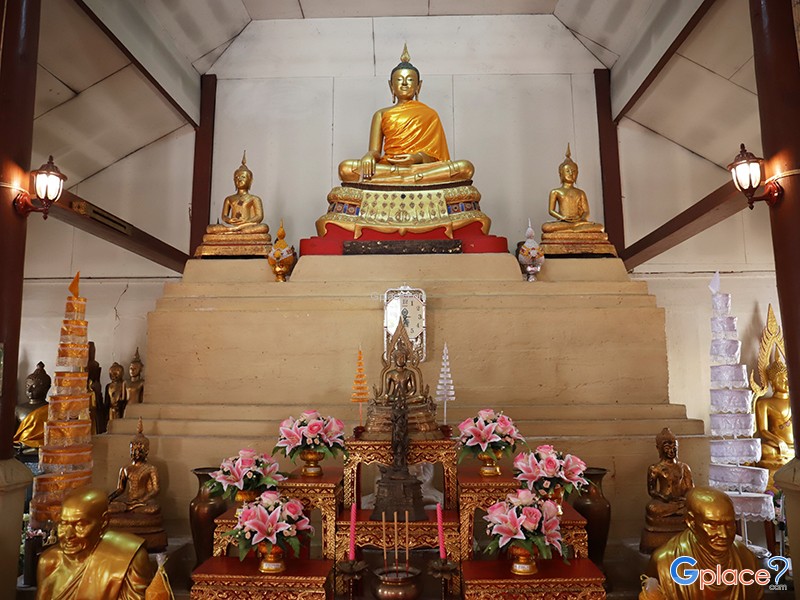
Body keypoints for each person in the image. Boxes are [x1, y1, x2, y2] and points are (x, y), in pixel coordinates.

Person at [338, 45, 473, 185]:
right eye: (399, 79)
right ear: (391, 86)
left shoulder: (430, 114)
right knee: (346, 168)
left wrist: (417, 158)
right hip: (390, 167)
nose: (404, 83)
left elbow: (438, 158)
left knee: (465, 168)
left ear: (418, 86)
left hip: (420, 167)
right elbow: (375, 151)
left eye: (409, 79)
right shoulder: (381, 114)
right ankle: (411, 179)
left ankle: (403, 179)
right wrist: (369, 156)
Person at [36, 487, 152, 600]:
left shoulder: (127, 559)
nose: (68, 535)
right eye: (63, 523)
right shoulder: (49, 561)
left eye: (80, 525)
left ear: (104, 521)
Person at [646, 487, 762, 599]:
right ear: (691, 522)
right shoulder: (664, 562)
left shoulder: (747, 559)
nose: (724, 534)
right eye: (713, 525)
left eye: (729, 524)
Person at [108, 418, 167, 551]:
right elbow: (120, 489)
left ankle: (133, 512)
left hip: (143, 503)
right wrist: (109, 498)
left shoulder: (151, 469)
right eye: (133, 450)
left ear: (146, 451)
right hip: (127, 501)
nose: (135, 453)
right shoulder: (125, 468)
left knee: (153, 509)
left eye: (138, 450)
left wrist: (142, 499)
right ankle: (127, 512)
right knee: (109, 509)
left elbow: (155, 489)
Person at [640, 427, 694, 553]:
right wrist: (664, 498)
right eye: (667, 447)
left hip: (681, 502)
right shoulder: (655, 468)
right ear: (659, 448)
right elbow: (652, 491)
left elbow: (691, 489)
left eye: (674, 446)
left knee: (693, 508)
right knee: (652, 508)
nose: (671, 450)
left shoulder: (684, 467)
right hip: (664, 502)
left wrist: (685, 499)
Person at [542, 145, 605, 233]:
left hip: (578, 222)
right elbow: (551, 210)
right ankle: (574, 230)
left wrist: (582, 219)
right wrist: (562, 217)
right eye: (567, 171)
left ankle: (570, 230)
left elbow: (586, 211)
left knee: (600, 227)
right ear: (561, 173)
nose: (571, 173)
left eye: (574, 171)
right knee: (546, 227)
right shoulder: (556, 192)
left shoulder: (580, 192)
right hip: (563, 222)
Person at [206, 152, 269, 234]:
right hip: (232, 225)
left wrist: (246, 221)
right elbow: (224, 216)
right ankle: (234, 230)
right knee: (210, 228)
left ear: (250, 181)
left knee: (264, 227)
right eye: (236, 177)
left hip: (247, 225)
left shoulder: (254, 199)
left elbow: (259, 216)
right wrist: (229, 220)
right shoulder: (229, 199)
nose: (239, 179)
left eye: (243, 177)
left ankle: (234, 230)